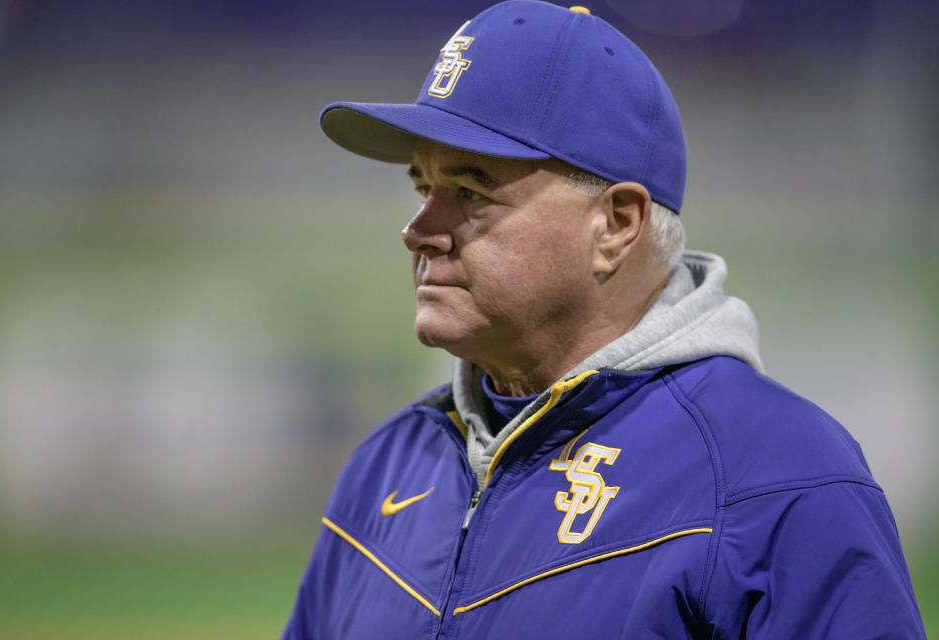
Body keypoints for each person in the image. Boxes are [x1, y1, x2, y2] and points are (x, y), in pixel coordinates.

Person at [282, 2, 926, 637]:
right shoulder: (389, 462)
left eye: (470, 192)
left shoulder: (777, 477)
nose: (417, 231)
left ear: (616, 224)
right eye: (424, 189)